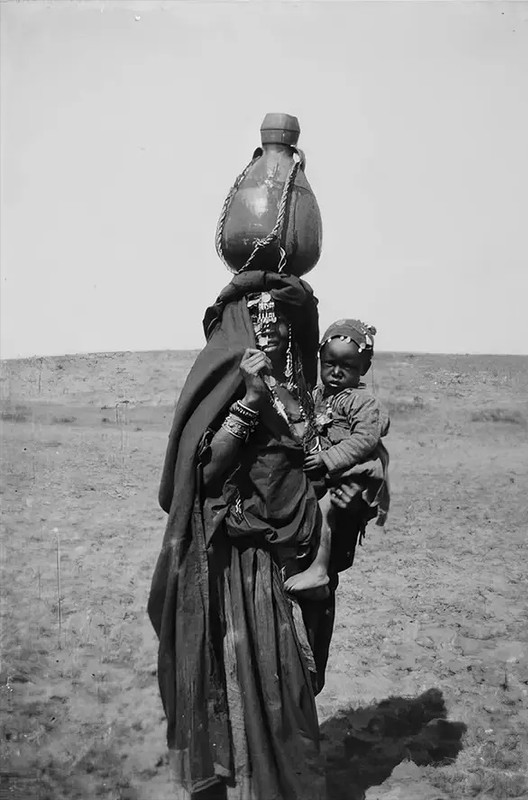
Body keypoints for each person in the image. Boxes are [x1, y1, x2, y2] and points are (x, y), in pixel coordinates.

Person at [147, 271, 358, 800]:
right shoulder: (232, 391)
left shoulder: (305, 395)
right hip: (249, 562)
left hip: (299, 554)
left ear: (291, 330)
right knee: (264, 678)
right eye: (257, 318)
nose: (269, 328)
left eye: (278, 319)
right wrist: (250, 397)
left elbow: (317, 463)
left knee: (295, 685)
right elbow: (208, 474)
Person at [284, 319, 390, 594]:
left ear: (364, 368)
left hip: (350, 472)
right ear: (320, 359)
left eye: (348, 367)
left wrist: (328, 458)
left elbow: (365, 438)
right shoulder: (317, 394)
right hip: (329, 471)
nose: (337, 373)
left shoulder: (361, 401)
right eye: (330, 364)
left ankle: (319, 569)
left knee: (324, 508)